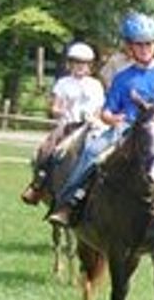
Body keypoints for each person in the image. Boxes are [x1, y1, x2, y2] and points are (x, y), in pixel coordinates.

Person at [48, 12, 154, 253]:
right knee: (91, 152)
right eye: (139, 44)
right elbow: (107, 112)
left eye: (149, 43)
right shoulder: (123, 78)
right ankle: (69, 204)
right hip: (126, 130)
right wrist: (114, 119)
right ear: (130, 47)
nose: (145, 49)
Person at [21, 40, 105, 204]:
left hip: (90, 127)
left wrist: (92, 119)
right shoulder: (63, 83)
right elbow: (55, 107)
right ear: (70, 64)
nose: (80, 66)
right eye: (76, 62)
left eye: (84, 63)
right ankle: (38, 185)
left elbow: (99, 109)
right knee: (47, 150)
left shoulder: (96, 85)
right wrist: (62, 111)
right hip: (68, 125)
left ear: (90, 65)